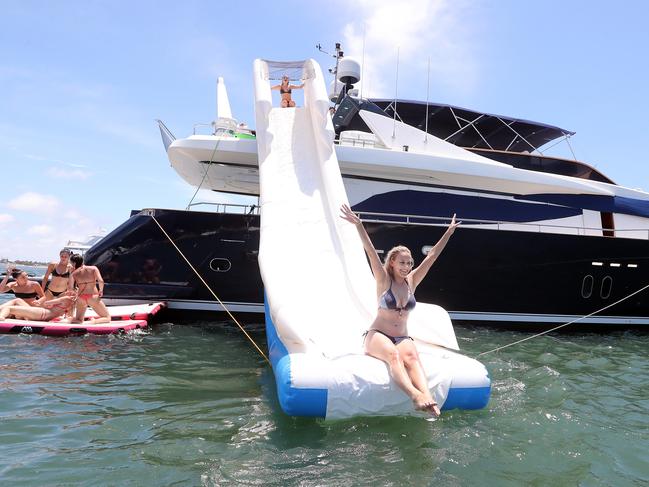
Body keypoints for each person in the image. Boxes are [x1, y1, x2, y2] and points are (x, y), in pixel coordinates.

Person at [340, 204, 460, 417]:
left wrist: (448, 233)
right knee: (395, 356)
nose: (406, 266)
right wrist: (359, 225)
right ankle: (415, 396)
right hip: (378, 335)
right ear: (393, 262)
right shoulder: (384, 280)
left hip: (403, 335)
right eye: (402, 262)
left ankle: (427, 397)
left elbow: (431, 256)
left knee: (412, 357)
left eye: (409, 262)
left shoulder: (411, 281)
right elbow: (370, 251)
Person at [69, 254, 110, 324]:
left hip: (81, 297)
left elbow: (70, 288)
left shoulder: (73, 274)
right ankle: (94, 321)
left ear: (74, 263)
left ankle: (66, 321)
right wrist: (101, 291)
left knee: (79, 320)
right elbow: (101, 281)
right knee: (107, 317)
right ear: (82, 261)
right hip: (93, 296)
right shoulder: (93, 268)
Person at [0, 291, 76, 321]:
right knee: (18, 300)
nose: (67, 291)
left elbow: (46, 303)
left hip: (41, 313)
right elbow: (69, 315)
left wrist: (40, 303)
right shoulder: (72, 304)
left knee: (8, 308)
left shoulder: (65, 298)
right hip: (42, 315)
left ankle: (1, 317)